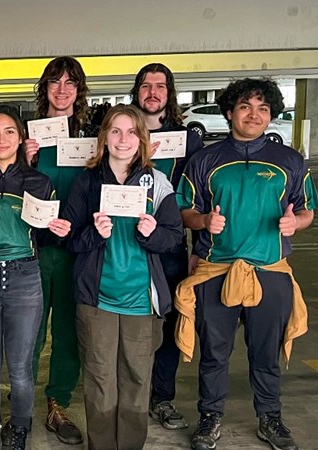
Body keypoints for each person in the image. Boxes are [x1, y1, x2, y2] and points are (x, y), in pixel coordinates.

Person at [176, 78, 316, 450]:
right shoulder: (205, 159)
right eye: (245, 107)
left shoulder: (290, 160)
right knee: (214, 353)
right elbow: (183, 210)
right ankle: (210, 418)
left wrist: (294, 223)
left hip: (270, 272)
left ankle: (270, 418)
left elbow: (307, 211)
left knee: (265, 353)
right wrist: (204, 221)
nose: (254, 115)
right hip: (215, 271)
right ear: (229, 113)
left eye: (263, 109)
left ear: (270, 115)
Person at [63, 104, 183, 450]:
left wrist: (151, 232)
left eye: (132, 132)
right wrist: (94, 234)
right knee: (100, 378)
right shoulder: (87, 182)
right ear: (104, 138)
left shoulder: (156, 182)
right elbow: (69, 238)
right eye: (115, 131)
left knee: (136, 377)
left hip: (141, 300)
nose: (123, 139)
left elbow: (173, 236)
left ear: (142, 139)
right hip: (97, 298)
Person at [0, 105, 71, 450]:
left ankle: (20, 429)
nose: (2, 138)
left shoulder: (40, 181)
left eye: (10, 131)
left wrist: (59, 229)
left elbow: (48, 233)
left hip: (25, 276)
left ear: (22, 137)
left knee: (22, 367)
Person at [25, 56, 98, 446]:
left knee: (69, 333)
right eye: (55, 81)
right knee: (28, 332)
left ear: (79, 90)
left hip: (77, 251)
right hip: (34, 251)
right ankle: (21, 402)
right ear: (45, 88)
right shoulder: (29, 136)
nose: (63, 89)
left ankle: (58, 402)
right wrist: (25, 159)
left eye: (71, 82)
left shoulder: (92, 137)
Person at [129, 62, 204, 430]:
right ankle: (129, 398)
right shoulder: (121, 134)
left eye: (160, 86)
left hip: (171, 247)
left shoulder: (187, 140)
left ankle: (162, 398)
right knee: (128, 325)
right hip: (124, 246)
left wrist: (198, 251)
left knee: (168, 323)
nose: (152, 92)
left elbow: (198, 198)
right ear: (136, 92)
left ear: (169, 93)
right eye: (145, 86)